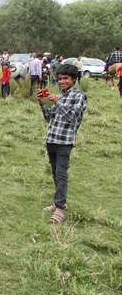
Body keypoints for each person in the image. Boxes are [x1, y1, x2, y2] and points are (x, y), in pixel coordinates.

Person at [36, 64, 87, 224]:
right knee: (55, 173)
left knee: (61, 174)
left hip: (64, 142)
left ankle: (59, 209)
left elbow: (73, 118)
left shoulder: (79, 96)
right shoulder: (60, 95)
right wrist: (42, 103)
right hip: (52, 139)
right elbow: (50, 118)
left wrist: (57, 102)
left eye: (66, 78)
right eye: (60, 79)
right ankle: (60, 202)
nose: (62, 82)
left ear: (74, 79)